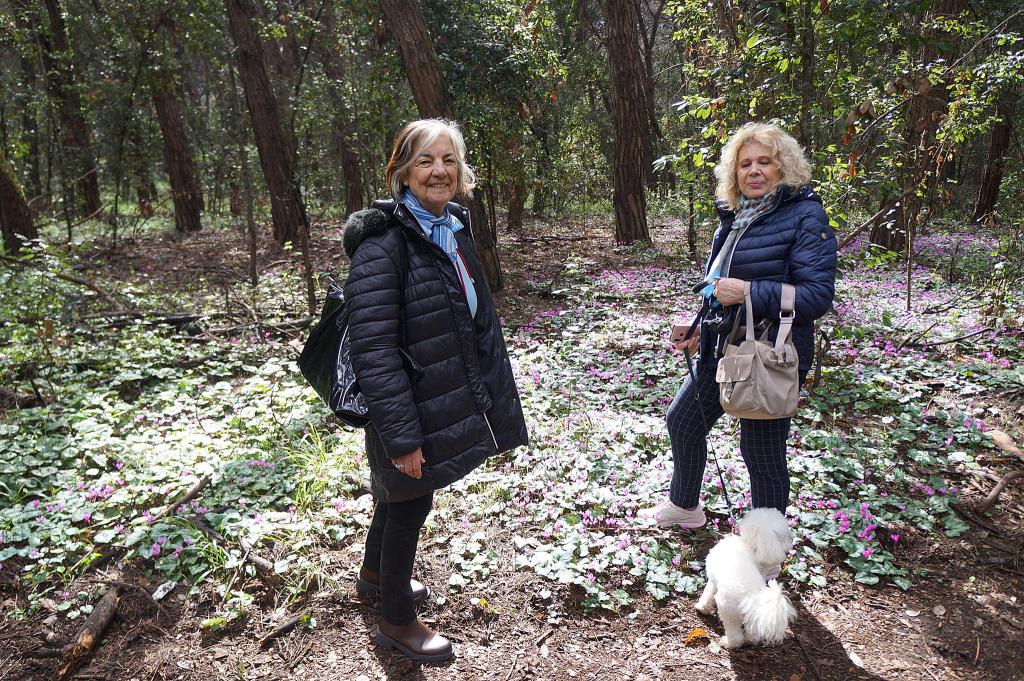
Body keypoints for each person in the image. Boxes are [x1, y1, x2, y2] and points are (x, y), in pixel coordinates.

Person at [342, 119, 529, 662]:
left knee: (397, 495)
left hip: (437, 397)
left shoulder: (453, 230)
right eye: (425, 161)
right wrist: (402, 437)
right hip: (404, 406)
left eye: (449, 159)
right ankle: (397, 621)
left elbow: (475, 323)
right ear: (402, 174)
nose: (439, 171)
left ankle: (375, 576)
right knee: (409, 501)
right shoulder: (383, 245)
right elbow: (374, 351)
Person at [645, 122, 837, 548]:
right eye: (745, 163)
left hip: (769, 354)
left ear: (783, 167)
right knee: (683, 421)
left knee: (761, 453)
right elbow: (720, 285)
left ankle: (766, 552)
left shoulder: (805, 216)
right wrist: (700, 325)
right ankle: (684, 507)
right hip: (723, 346)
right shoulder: (734, 217)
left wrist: (749, 292)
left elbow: (816, 297)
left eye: (764, 162)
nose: (754, 171)